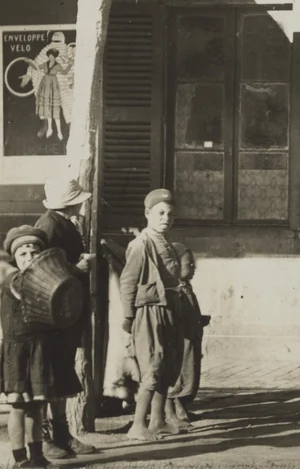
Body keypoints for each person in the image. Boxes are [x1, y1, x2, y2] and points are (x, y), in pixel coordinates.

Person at [33, 176, 97, 458]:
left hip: (68, 312)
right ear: (70, 203)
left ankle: (63, 436)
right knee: (50, 376)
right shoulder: (48, 226)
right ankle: (47, 438)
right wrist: (78, 268)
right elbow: (44, 272)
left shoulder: (63, 223)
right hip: (53, 315)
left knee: (61, 374)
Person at [119, 189, 185, 441]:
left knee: (167, 367)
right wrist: (128, 315)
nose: (165, 218)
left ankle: (157, 421)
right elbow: (128, 282)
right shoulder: (140, 245)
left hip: (168, 310)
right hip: (149, 313)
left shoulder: (166, 242)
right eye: (160, 213)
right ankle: (137, 425)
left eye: (170, 214)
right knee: (153, 367)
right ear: (148, 214)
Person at [0, 226, 57, 468]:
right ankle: (20, 458)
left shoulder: (45, 282)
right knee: (19, 406)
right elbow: (30, 295)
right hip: (18, 351)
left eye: (35, 253)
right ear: (15, 259)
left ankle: (37, 455)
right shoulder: (14, 281)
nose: (29, 258)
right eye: (23, 254)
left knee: (37, 406)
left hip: (38, 350)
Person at [168, 243, 209, 423]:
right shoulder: (174, 290)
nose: (193, 269)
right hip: (180, 340)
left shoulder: (186, 287)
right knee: (179, 374)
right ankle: (174, 409)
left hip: (192, 337)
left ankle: (183, 405)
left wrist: (199, 320)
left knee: (191, 372)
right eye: (189, 265)